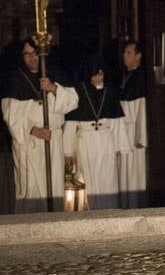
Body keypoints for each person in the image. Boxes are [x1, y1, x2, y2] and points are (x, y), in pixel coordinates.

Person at [1, 37, 78, 212]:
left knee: (54, 190)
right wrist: (33, 130)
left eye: (34, 53)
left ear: (42, 53)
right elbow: (10, 115)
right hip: (29, 144)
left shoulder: (54, 73)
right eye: (26, 54)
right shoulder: (16, 78)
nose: (31, 58)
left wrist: (53, 88)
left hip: (53, 141)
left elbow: (73, 101)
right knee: (30, 191)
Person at [63, 58, 132, 209]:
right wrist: (67, 152)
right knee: (89, 179)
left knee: (108, 179)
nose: (97, 78)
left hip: (106, 140)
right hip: (86, 141)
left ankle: (110, 212)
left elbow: (116, 121)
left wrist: (121, 147)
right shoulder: (80, 91)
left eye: (100, 74)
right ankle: (93, 214)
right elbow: (70, 124)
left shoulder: (110, 91)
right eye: (94, 75)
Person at [117, 40, 148, 208]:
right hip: (123, 130)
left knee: (134, 173)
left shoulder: (140, 77)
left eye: (128, 53)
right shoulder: (125, 75)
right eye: (124, 52)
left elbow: (141, 109)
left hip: (133, 133)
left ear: (138, 56)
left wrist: (140, 137)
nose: (124, 55)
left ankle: (135, 205)